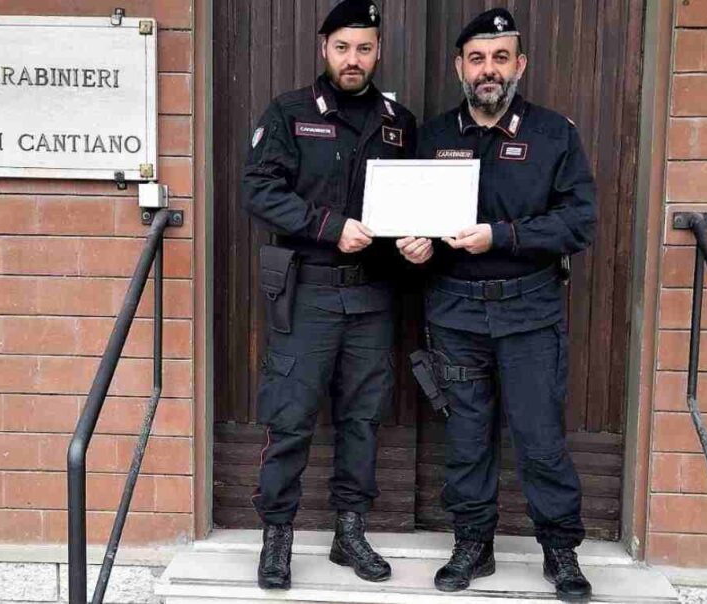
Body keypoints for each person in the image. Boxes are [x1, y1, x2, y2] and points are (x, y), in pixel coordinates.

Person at [400, 8, 597, 601]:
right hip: (455, 313)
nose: (490, 70)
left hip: (530, 312)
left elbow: (579, 222)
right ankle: (472, 544)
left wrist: (502, 236)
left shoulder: (553, 134)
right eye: (478, 59)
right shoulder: (433, 137)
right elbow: (412, 214)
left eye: (501, 57)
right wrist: (414, 248)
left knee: (539, 437)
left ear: (520, 65)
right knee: (466, 438)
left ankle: (560, 550)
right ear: (460, 67)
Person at [241, 0, 417, 591]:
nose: (353, 59)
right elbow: (259, 191)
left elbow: (414, 202)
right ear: (324, 49)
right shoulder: (290, 113)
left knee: (362, 419)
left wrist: (420, 242)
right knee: (289, 418)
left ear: (377, 52)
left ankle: (349, 530)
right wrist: (328, 226)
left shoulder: (398, 121)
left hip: (372, 298)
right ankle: (277, 535)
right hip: (308, 295)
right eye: (342, 47)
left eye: (364, 48)